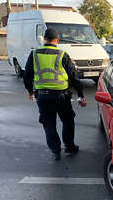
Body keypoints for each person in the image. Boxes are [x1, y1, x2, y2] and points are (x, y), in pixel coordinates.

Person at [23, 28, 87, 161]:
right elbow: (74, 77)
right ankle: (69, 146)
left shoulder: (34, 54)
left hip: (43, 96)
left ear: (44, 39)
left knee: (49, 123)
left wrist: (30, 92)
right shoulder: (62, 54)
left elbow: (27, 76)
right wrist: (81, 95)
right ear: (57, 40)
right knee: (68, 120)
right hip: (62, 96)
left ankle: (55, 150)